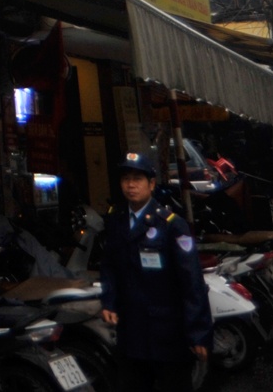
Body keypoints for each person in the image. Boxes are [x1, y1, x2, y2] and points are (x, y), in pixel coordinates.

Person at [99, 150, 211, 391]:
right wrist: (108, 301)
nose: (131, 185)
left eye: (137, 179)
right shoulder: (117, 221)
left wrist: (198, 332)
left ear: (151, 184)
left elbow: (191, 280)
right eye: (126, 179)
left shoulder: (172, 225)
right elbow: (109, 266)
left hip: (168, 334)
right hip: (132, 333)